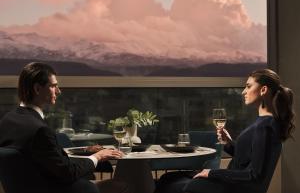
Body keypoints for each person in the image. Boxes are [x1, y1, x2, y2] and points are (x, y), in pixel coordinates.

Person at [155, 69, 295, 193]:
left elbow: (254, 175)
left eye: (248, 86)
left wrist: (212, 173)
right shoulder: (265, 123)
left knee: (168, 183)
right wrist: (228, 142)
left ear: (263, 90)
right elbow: (246, 158)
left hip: (232, 188)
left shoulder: (265, 127)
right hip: (231, 183)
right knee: (169, 177)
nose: (243, 91)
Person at [0, 62, 129, 193]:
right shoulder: (39, 130)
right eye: (53, 86)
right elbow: (68, 173)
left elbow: (44, 159)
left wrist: (84, 151)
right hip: (56, 188)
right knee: (121, 185)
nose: (59, 91)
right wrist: (98, 156)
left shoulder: (7, 120)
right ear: (37, 89)